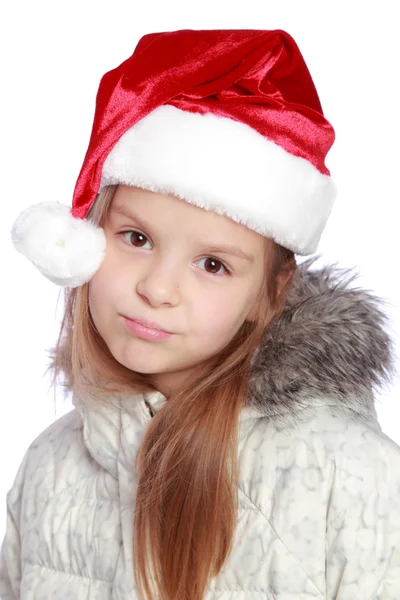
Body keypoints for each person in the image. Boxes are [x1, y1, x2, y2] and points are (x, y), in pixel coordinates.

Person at [1, 28, 400, 600]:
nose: (158, 289)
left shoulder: (354, 478)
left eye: (213, 264)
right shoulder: (50, 464)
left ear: (270, 292)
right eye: (135, 237)